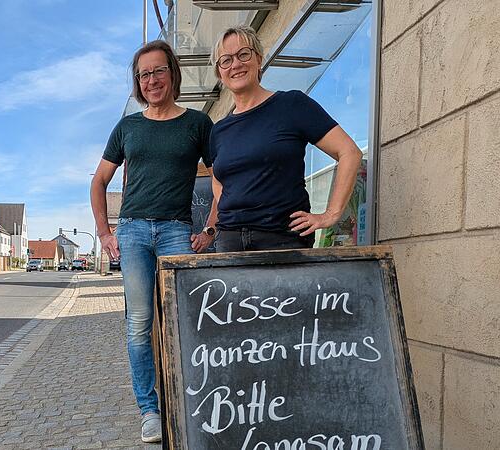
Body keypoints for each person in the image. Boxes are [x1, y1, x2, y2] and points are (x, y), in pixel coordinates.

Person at [90, 40, 214, 443]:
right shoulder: (128, 127)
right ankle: (149, 409)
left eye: (158, 71)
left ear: (172, 73)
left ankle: (188, 397)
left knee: (185, 319)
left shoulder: (197, 124)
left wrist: (210, 229)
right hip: (133, 232)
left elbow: (221, 179)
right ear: (137, 82)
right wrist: (105, 233)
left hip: (177, 231)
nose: (152, 80)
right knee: (139, 323)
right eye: (144, 74)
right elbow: (99, 181)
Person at [205, 26, 363, 252]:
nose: (236, 64)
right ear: (220, 72)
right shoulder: (219, 130)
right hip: (230, 241)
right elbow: (218, 180)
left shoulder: (292, 105)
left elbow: (349, 152)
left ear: (258, 59)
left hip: (282, 239)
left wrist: (331, 214)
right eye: (226, 60)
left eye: (243, 54)